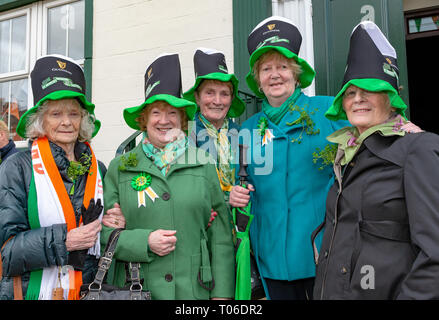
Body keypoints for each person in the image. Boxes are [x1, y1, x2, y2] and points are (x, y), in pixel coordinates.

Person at [313, 21, 439, 300]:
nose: (358, 99)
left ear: (390, 100)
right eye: (350, 92)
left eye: (369, 90)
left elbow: (435, 256)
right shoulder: (347, 155)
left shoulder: (417, 148)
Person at [101, 53, 235, 300]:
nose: (164, 121)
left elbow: (221, 238)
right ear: (143, 120)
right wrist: (144, 242)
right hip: (137, 290)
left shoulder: (203, 163)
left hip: (194, 292)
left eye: (172, 113)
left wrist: (222, 296)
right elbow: (105, 236)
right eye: (155, 113)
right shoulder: (120, 167)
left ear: (182, 119)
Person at [0, 54, 105, 300]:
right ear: (40, 120)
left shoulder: (99, 168)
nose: (67, 122)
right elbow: (7, 253)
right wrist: (65, 241)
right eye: (56, 114)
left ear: (83, 120)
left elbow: (104, 238)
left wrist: (116, 219)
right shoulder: (17, 167)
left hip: (86, 293)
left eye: (74, 114)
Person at [183, 47, 245, 202]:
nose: (217, 101)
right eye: (209, 92)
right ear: (197, 98)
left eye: (224, 94)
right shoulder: (184, 134)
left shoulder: (242, 133)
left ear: (231, 99)